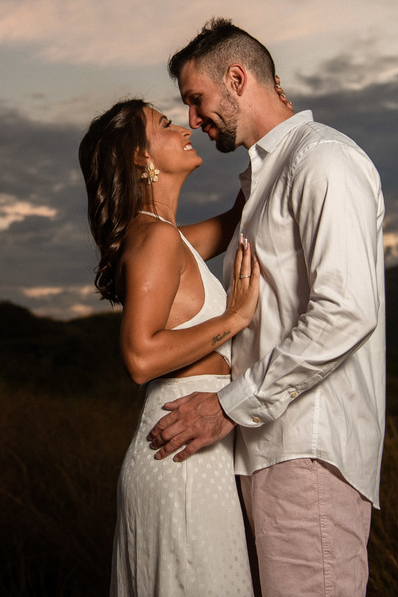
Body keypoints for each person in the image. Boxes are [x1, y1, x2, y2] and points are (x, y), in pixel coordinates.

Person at [147, 18, 386, 597]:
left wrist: (230, 406)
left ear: (236, 77)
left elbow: (346, 310)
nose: (194, 121)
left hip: (307, 448)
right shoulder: (265, 180)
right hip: (268, 448)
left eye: (196, 101)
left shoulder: (323, 161)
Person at [78, 98, 261, 597]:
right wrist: (235, 318)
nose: (184, 127)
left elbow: (236, 219)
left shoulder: (166, 239)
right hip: (179, 452)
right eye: (164, 124)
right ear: (141, 157)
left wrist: (262, 142)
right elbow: (140, 358)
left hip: (188, 443)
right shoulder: (155, 238)